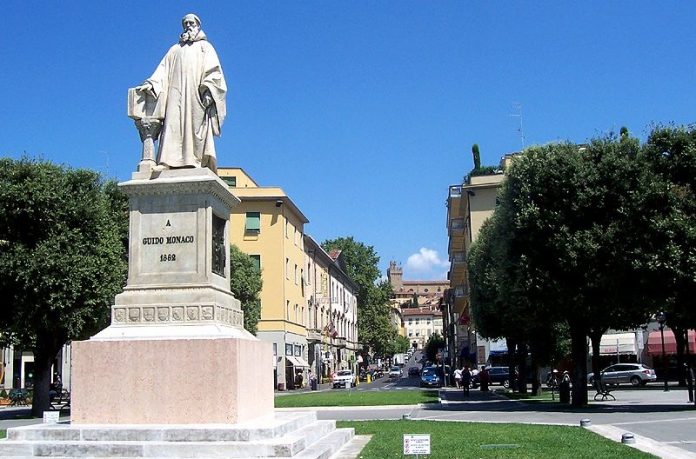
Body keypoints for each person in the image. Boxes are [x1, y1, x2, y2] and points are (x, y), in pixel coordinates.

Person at [136, 13, 227, 173]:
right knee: (172, 124)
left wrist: (208, 90)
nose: (188, 26)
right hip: (175, 95)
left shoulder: (206, 48)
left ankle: (195, 160)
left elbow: (215, 73)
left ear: (198, 25)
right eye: (185, 24)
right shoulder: (174, 50)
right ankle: (166, 161)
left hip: (195, 96)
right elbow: (162, 71)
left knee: (194, 127)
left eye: (191, 23)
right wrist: (152, 83)